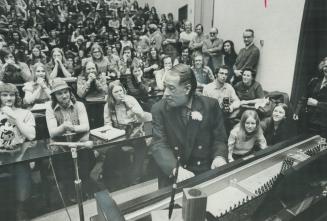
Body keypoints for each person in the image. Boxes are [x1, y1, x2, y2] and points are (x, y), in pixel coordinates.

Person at [150, 64, 228, 187]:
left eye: (171, 88)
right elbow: (159, 144)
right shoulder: (159, 109)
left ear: (187, 89)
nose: (165, 94)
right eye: (165, 87)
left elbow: (219, 139)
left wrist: (219, 157)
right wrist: (176, 170)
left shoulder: (211, 106)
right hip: (174, 174)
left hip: (204, 172)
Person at [45, 78, 95, 200]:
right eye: (59, 93)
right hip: (62, 146)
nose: (64, 95)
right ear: (54, 96)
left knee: (85, 167)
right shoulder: (50, 109)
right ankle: (71, 194)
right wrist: (63, 127)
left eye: (65, 92)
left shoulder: (80, 105)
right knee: (64, 171)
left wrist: (71, 127)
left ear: (70, 92)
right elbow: (52, 132)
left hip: (80, 143)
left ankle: (86, 191)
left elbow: (86, 126)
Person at [102, 80, 150, 185]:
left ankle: (134, 176)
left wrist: (130, 105)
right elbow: (107, 124)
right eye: (116, 92)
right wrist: (113, 133)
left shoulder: (131, 99)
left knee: (141, 147)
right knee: (111, 150)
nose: (120, 93)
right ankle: (107, 177)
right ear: (111, 95)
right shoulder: (108, 106)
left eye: (121, 90)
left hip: (135, 132)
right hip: (118, 133)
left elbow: (142, 116)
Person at [0, 83, 35, 220]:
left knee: (22, 198)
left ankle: (22, 211)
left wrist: (14, 117)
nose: (9, 98)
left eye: (11, 95)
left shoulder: (25, 113)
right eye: (4, 95)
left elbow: (31, 135)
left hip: (20, 157)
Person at [293, 58, 327, 138]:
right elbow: (304, 97)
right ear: (322, 67)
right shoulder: (315, 81)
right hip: (308, 120)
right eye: (325, 66)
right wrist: (297, 111)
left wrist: (317, 104)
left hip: (323, 125)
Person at [203, 65, 240, 132]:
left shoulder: (229, 87)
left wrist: (231, 107)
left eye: (226, 74)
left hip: (225, 116)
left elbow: (237, 101)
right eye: (221, 73)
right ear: (216, 74)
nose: (224, 76)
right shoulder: (207, 88)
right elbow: (204, 106)